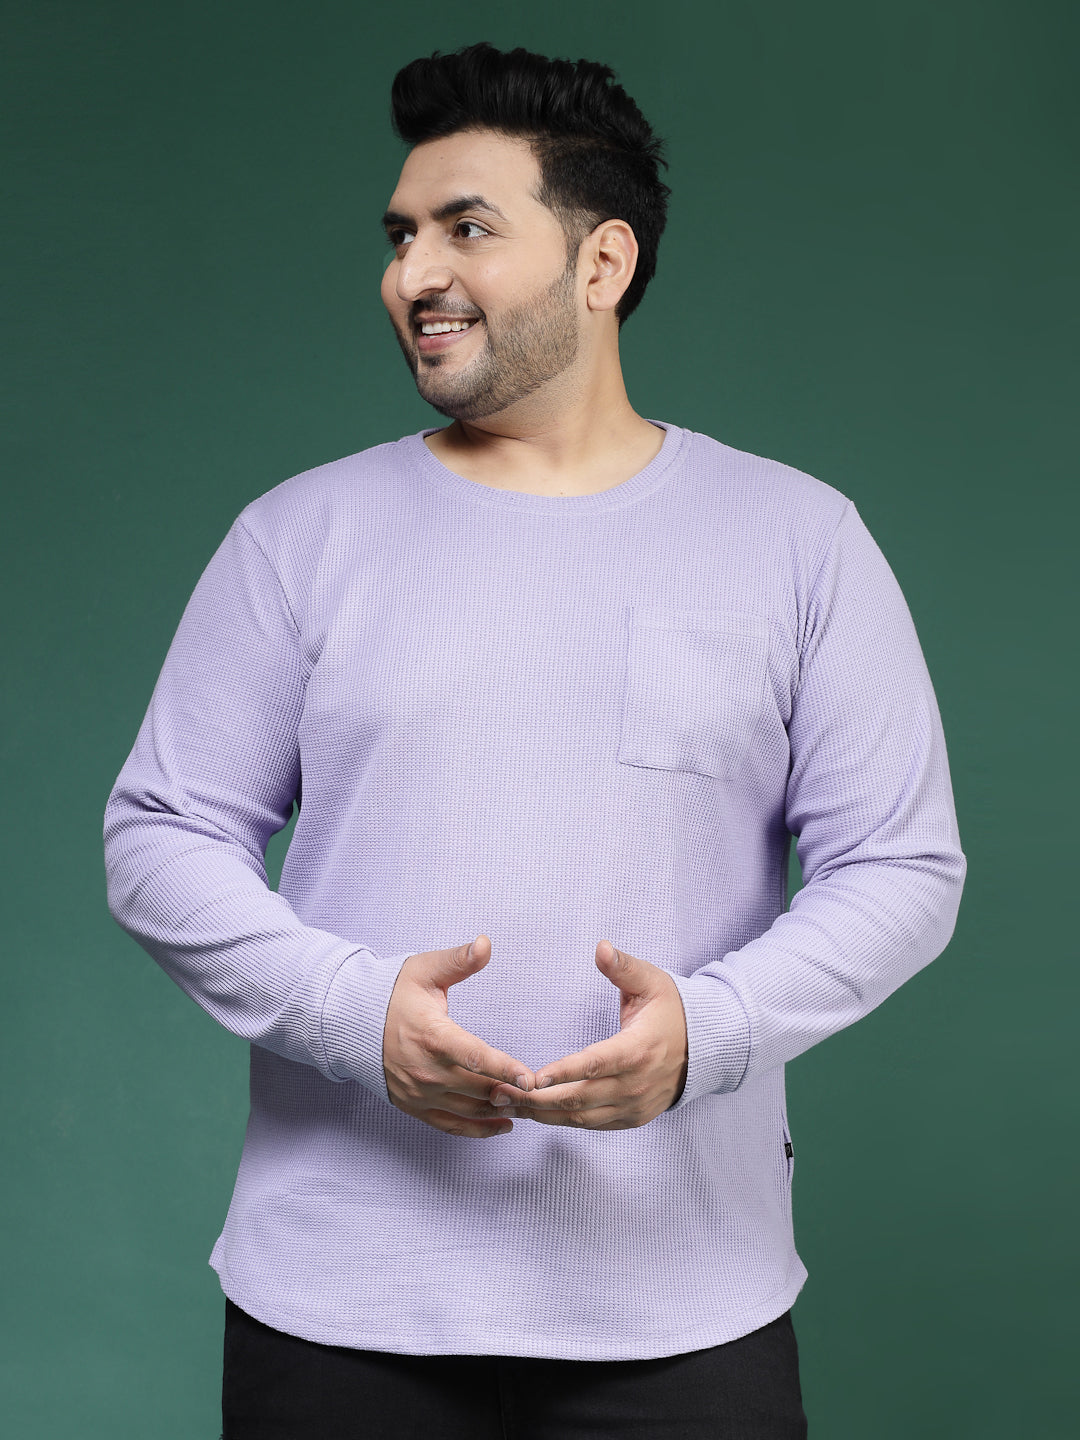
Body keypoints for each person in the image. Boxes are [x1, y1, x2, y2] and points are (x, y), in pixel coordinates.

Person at [104, 41, 966, 1439]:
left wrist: (711, 1032)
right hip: (339, 1307)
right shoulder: (298, 538)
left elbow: (902, 868)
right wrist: (352, 1011)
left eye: (466, 228)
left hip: (685, 1307)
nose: (414, 274)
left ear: (602, 261)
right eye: (401, 235)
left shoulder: (799, 541)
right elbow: (161, 837)